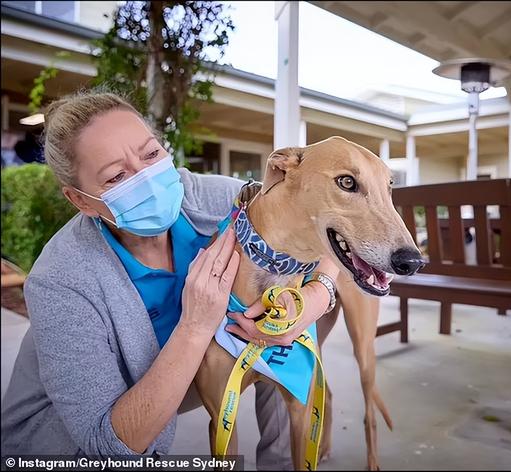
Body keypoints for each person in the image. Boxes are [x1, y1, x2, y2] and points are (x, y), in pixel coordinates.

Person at [0, 90, 339, 469]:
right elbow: (110, 445)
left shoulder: (220, 200)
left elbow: (313, 220)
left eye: (150, 154)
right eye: (116, 176)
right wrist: (196, 325)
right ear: (81, 201)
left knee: (278, 335)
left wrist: (317, 295)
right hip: (64, 446)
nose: (146, 178)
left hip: (181, 381)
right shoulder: (61, 280)